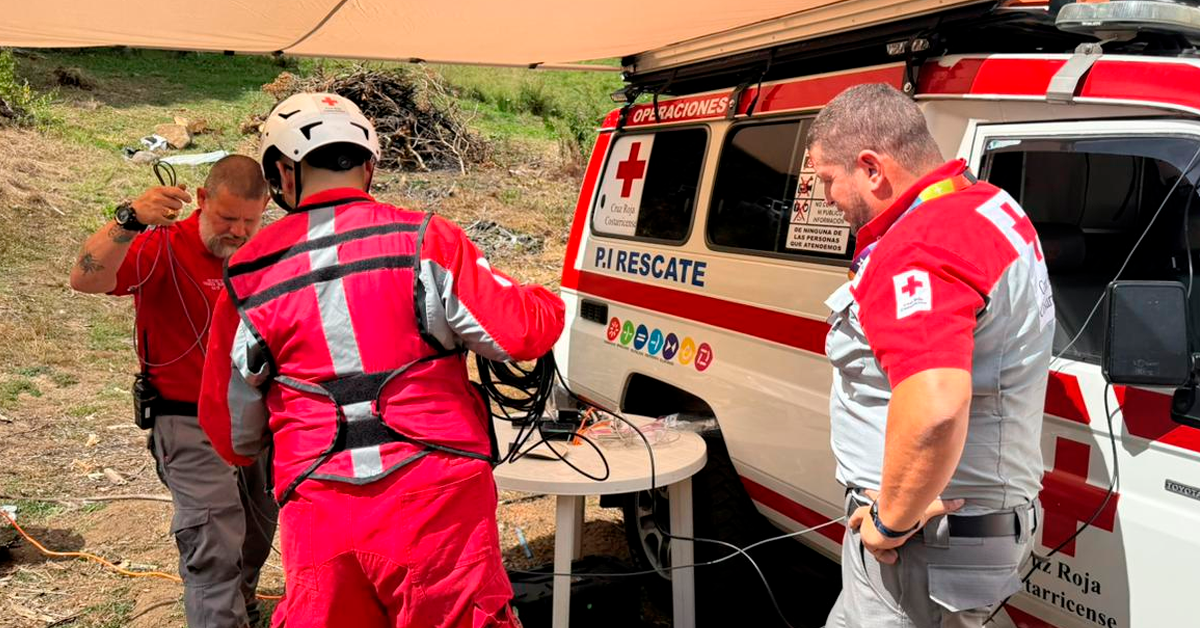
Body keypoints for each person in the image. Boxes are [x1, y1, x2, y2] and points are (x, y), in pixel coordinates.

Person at [198, 92, 564, 628]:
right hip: (437, 496)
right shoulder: (428, 239)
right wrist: (545, 299)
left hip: (320, 506)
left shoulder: (247, 275)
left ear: (282, 173)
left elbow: (233, 434)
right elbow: (520, 333)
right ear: (369, 166)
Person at [810, 84, 1054, 628]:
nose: (825, 197)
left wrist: (889, 522)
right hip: (968, 525)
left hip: (922, 542)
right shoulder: (986, 205)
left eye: (827, 178)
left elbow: (936, 407)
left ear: (871, 168)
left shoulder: (918, 247)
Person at [68, 155, 277, 628]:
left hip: (254, 419)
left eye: (249, 220)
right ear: (201, 200)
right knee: (213, 540)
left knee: (257, 530)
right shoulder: (163, 245)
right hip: (187, 418)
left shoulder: (263, 256)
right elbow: (85, 278)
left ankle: (241, 602)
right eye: (226, 218)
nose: (237, 232)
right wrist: (128, 221)